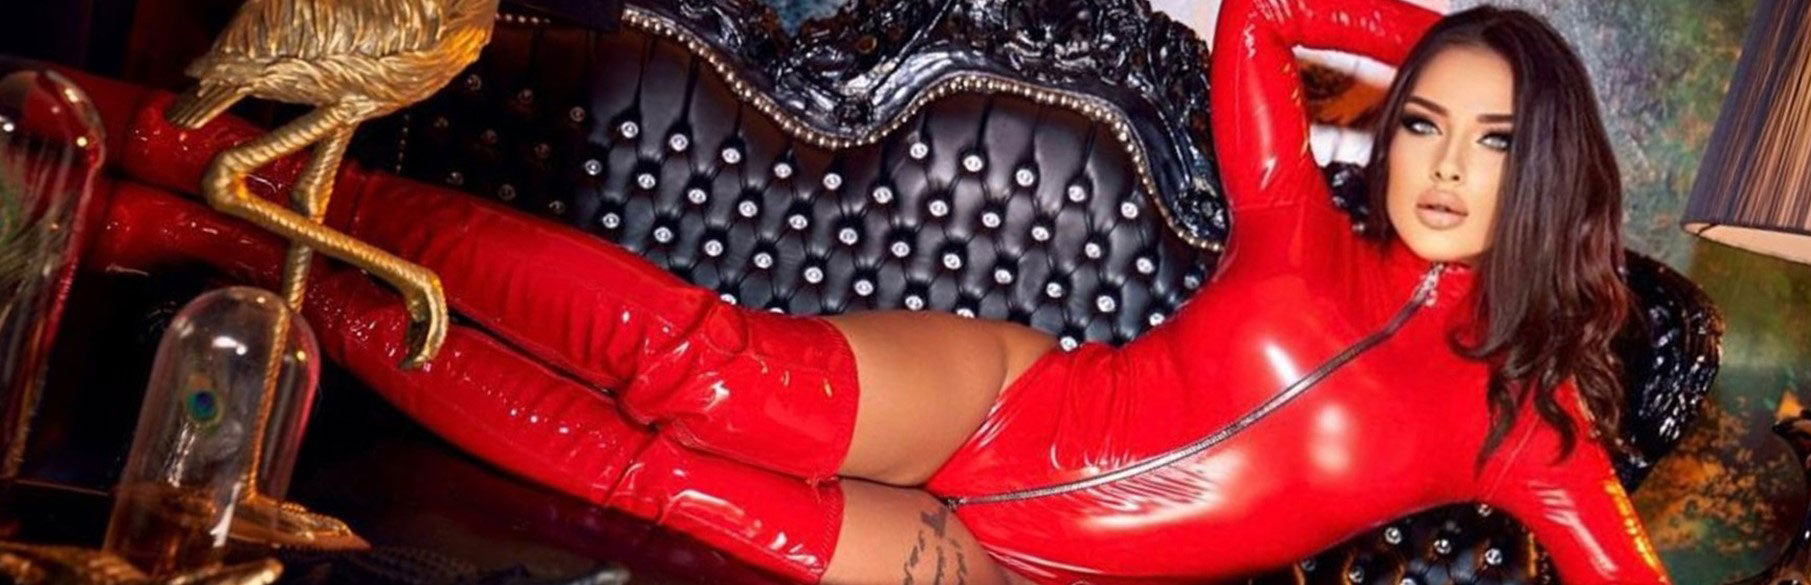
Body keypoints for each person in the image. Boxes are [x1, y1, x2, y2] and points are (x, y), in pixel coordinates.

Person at [70, 0, 1670, 582]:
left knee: (658, 473)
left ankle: (228, 249)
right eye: (1425, 125)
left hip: (1006, 568)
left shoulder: (1527, 431)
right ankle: (185, 156)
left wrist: (1500, 74)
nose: (1442, 165)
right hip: (997, 398)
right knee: (694, 372)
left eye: (1495, 141)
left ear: (1548, 167)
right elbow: (1258, 18)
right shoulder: (1302, 229)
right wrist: (1455, 38)